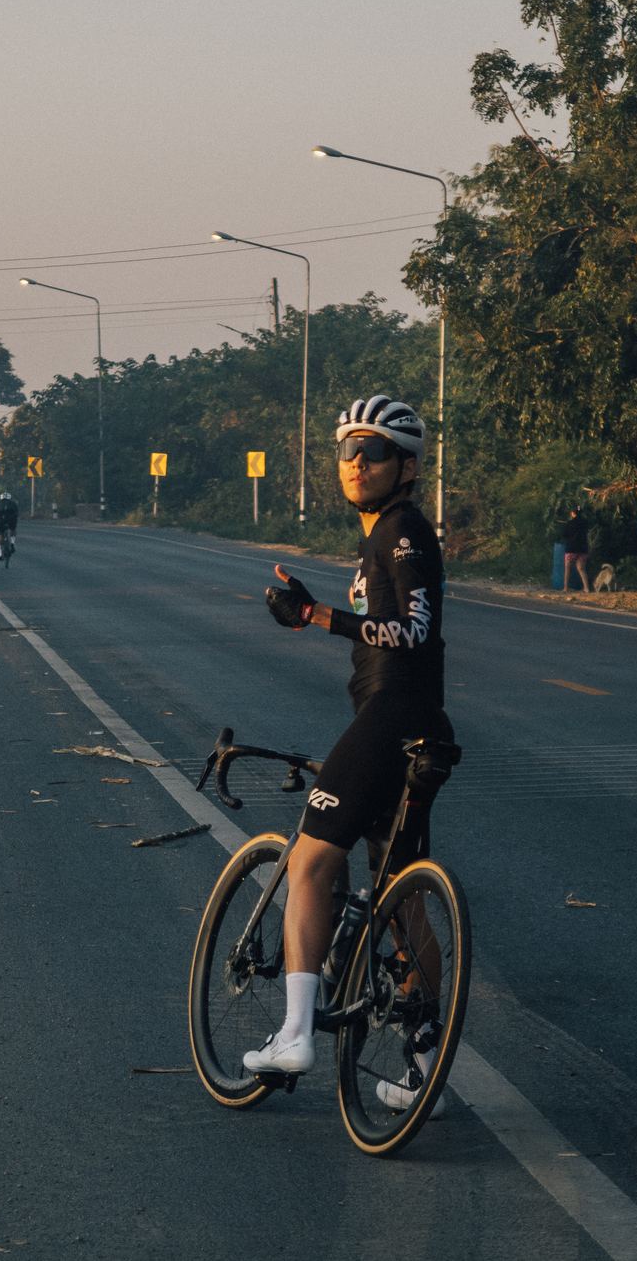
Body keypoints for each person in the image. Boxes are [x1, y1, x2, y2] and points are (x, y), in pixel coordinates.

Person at [251, 393, 453, 1115]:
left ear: (406, 465)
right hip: (419, 728)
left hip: (392, 717)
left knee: (308, 861)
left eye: (373, 451)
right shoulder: (389, 533)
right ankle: (426, 1056)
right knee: (402, 903)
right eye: (347, 451)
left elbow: (414, 630)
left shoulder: (400, 532)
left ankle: (295, 1032)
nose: (356, 463)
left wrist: (316, 616)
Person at [562, 506, 591, 592]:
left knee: (567, 568)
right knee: (581, 569)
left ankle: (565, 588)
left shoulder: (570, 523)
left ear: (573, 513)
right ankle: (586, 588)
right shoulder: (585, 523)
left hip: (571, 548)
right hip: (583, 549)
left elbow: (564, 535)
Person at [0, 490, 19, 559]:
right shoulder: (13, 503)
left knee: (1, 534)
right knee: (13, 530)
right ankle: (12, 543)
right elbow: (16, 514)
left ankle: (0, 553)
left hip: (0, 519)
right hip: (11, 519)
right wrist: (14, 525)